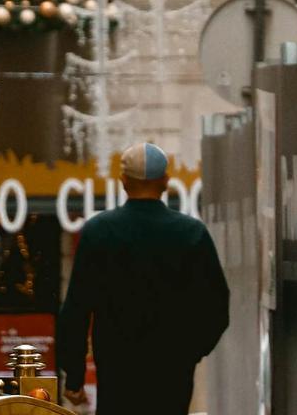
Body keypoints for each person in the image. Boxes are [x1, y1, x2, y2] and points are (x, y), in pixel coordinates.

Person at [56, 143, 230, 414]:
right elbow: (217, 308)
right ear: (165, 181)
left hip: (117, 368)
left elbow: (76, 309)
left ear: (124, 181)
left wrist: (75, 376)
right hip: (172, 368)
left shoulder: (99, 232)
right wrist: (189, 353)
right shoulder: (191, 233)